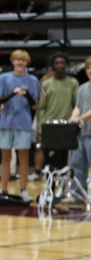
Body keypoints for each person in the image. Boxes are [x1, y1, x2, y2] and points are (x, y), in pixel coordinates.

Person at [0, 49, 39, 201]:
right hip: (6, 122)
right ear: (13, 61)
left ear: (26, 63)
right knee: (5, 157)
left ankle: (23, 189)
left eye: (23, 60)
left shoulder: (32, 80)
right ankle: (3, 188)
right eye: (17, 60)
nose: (20, 63)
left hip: (24, 122)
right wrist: (13, 93)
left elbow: (34, 105)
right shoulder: (4, 78)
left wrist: (27, 95)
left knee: (23, 158)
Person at [37, 53, 78, 175]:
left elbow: (76, 105)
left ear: (66, 65)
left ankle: (63, 185)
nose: (60, 65)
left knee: (64, 160)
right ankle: (50, 184)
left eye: (62, 63)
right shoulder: (47, 84)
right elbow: (42, 107)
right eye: (57, 63)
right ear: (53, 65)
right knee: (49, 160)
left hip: (66, 126)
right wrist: (40, 127)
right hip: (49, 126)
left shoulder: (73, 83)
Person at [68, 55, 91, 203]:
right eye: (88, 68)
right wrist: (72, 118)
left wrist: (80, 118)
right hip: (81, 134)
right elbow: (78, 107)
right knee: (77, 164)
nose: (90, 71)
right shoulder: (82, 88)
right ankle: (77, 195)